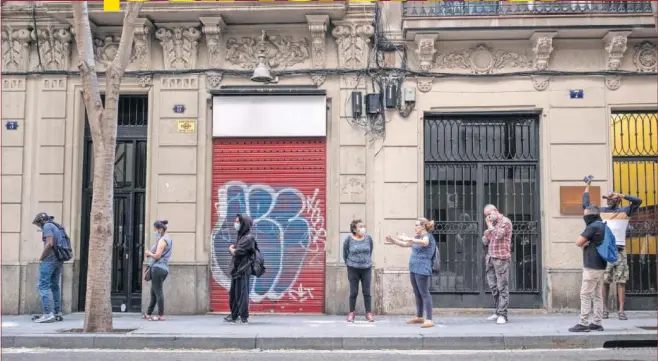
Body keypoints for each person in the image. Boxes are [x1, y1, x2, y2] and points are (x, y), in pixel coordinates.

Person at [582, 182, 641, 321]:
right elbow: (586, 205)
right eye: (608, 198)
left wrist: (620, 194)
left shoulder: (625, 211)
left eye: (612, 198)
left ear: (618, 200)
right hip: (605, 250)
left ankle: (621, 310)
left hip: (620, 250)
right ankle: (605, 309)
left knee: (621, 281)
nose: (609, 200)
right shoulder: (601, 212)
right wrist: (587, 186)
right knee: (605, 281)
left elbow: (638, 201)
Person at [385, 218, 437, 328]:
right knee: (417, 293)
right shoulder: (417, 238)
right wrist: (393, 240)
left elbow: (424, 243)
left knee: (424, 293)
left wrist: (409, 238)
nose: (414, 227)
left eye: (416, 225)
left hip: (422, 268)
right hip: (413, 268)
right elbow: (404, 244)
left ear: (423, 226)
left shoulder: (428, 237)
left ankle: (429, 319)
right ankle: (419, 317)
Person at [569, 205, 607, 332]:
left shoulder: (593, 227)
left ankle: (583, 323)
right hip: (601, 265)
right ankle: (597, 322)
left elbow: (578, 242)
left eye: (585, 215)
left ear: (590, 215)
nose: (584, 217)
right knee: (597, 295)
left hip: (591, 266)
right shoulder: (602, 225)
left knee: (585, 294)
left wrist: (584, 244)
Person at [32, 212, 66, 323]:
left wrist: (41, 257)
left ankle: (47, 313)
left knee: (43, 286)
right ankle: (57, 312)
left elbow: (50, 243)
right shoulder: (56, 226)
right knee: (55, 286)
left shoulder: (47, 226)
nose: (39, 227)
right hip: (58, 260)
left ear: (40, 221)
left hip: (49, 260)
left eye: (38, 224)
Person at [482, 205, 513, 325]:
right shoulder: (493, 223)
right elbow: (485, 242)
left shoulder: (505, 221)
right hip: (491, 257)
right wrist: (486, 234)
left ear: (495, 211)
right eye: (486, 215)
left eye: (489, 214)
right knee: (493, 287)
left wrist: (490, 226)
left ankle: (503, 315)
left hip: (501, 258)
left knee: (502, 287)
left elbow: (500, 235)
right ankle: (497, 311)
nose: (488, 217)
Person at [343, 219, 374, 322]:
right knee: (353, 292)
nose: (362, 228)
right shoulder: (349, 239)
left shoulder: (368, 238)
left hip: (366, 268)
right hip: (353, 268)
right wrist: (350, 264)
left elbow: (370, 250)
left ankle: (368, 313)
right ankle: (351, 312)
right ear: (354, 229)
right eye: (360, 226)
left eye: (363, 226)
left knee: (367, 292)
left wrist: (366, 261)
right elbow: (345, 254)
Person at [227, 214, 256, 324]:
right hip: (237, 270)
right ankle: (234, 315)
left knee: (242, 294)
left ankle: (243, 317)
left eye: (238, 222)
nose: (236, 224)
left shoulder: (248, 238)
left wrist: (231, 249)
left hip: (243, 270)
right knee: (234, 294)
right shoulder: (242, 236)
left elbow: (237, 252)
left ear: (244, 224)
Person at [143, 219, 173, 321]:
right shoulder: (166, 239)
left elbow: (157, 255)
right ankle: (148, 313)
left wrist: (149, 253)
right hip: (161, 268)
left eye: (155, 230)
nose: (155, 232)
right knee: (154, 292)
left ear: (160, 229)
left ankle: (161, 315)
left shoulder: (163, 241)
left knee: (158, 291)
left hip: (158, 268)